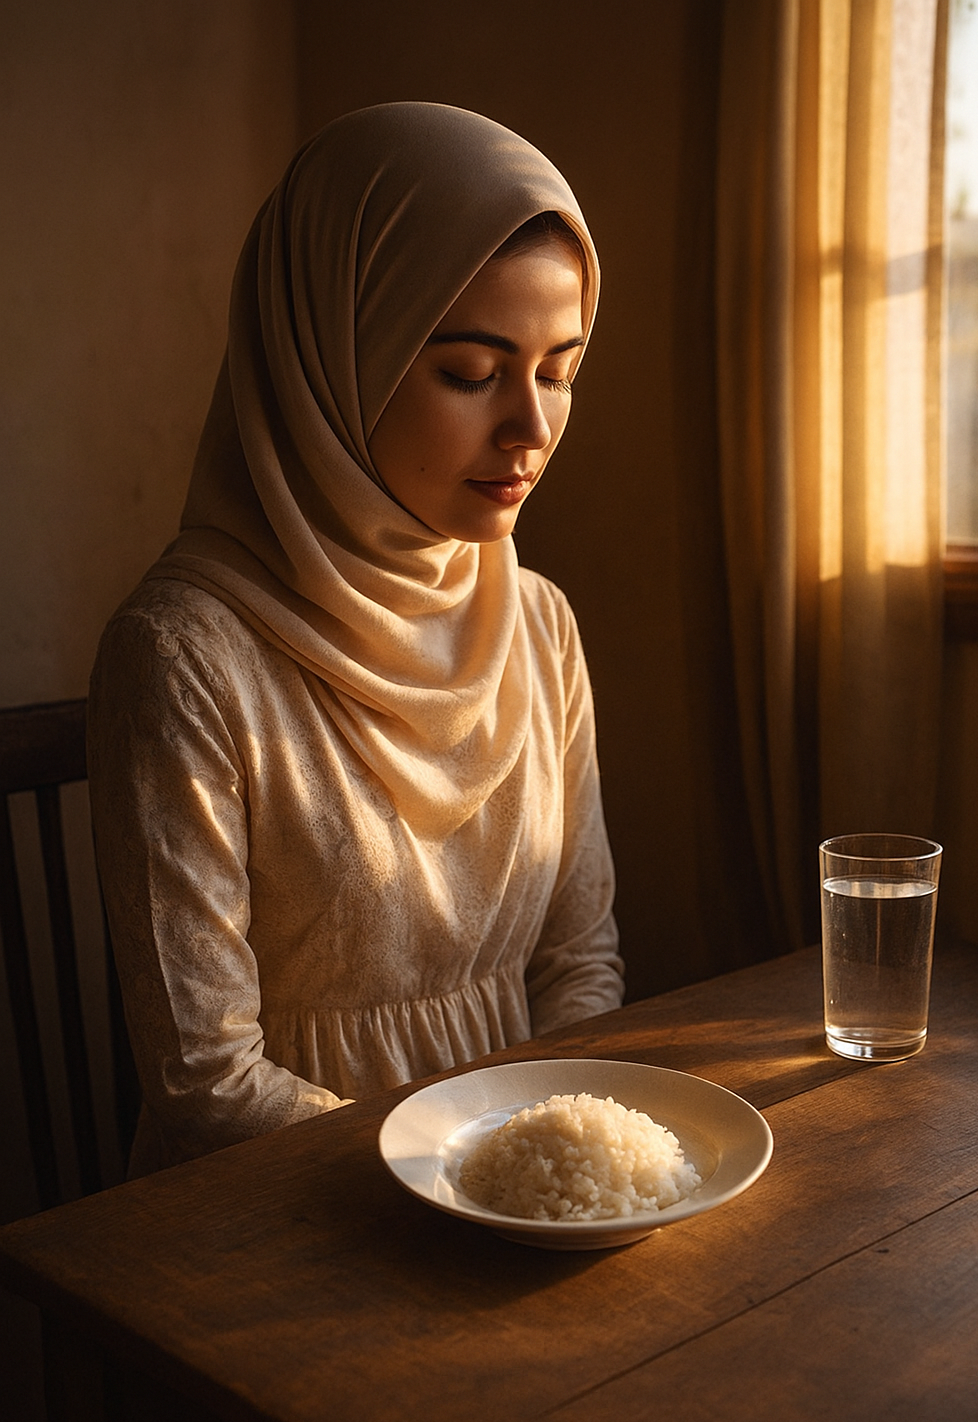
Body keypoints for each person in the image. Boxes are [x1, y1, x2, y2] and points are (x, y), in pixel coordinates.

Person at [88, 102, 624, 1176]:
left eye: (558, 370)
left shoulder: (539, 625)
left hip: (519, 1187)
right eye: (470, 372)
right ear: (329, 359)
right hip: (277, 1198)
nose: (530, 428)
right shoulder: (184, 659)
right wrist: (455, 1176)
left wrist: (549, 1167)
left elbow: (580, 965)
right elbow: (207, 1080)